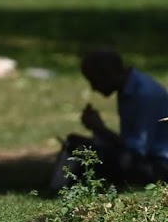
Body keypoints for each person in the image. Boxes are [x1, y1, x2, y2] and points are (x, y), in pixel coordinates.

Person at [53, 49, 168, 189]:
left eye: (94, 81)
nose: (93, 88)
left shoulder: (144, 94)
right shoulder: (127, 89)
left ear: (107, 74)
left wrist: (100, 129)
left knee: (94, 155)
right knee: (77, 144)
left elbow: (136, 152)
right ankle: (61, 186)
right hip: (145, 159)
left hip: (159, 166)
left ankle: (63, 188)